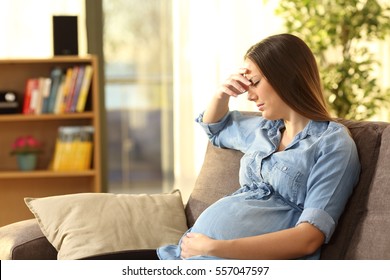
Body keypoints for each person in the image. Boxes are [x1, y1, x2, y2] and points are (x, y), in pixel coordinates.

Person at [157, 33, 361, 260]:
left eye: (254, 83)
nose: (250, 95)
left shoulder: (332, 143)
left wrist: (212, 247)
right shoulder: (264, 129)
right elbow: (214, 128)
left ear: (285, 76)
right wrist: (221, 93)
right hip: (188, 257)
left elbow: (309, 238)